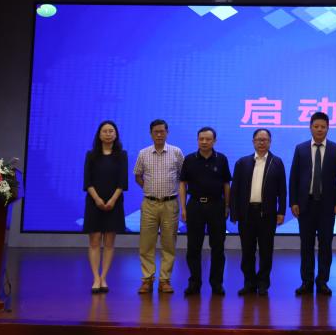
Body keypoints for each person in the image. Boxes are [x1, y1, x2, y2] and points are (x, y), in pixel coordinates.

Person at [289, 112, 336, 296]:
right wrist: (293, 202)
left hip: (327, 206)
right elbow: (294, 177)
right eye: (316, 126)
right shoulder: (301, 149)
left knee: (325, 245)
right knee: (306, 245)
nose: (319, 129)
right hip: (305, 205)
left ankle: (322, 281)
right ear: (310, 127)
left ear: (328, 128)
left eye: (323, 127)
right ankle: (306, 281)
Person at [230, 128, 286, 296]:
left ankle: (263, 284)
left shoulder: (277, 162)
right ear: (253, 142)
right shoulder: (242, 162)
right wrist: (234, 212)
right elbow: (235, 190)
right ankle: (249, 282)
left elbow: (282, 190)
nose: (262, 143)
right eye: (258, 140)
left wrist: (281, 211)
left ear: (270, 142)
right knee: (247, 251)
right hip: (246, 214)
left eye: (265, 140)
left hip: (267, 214)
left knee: (266, 251)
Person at [178, 126, 232, 296]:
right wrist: (183, 208)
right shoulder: (189, 159)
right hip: (195, 206)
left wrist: (227, 206)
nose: (204, 142)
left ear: (214, 141)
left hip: (216, 206)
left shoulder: (221, 159)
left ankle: (217, 284)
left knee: (218, 247)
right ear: (197, 140)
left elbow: (226, 184)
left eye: (208, 139)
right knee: (193, 247)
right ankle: (194, 283)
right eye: (201, 139)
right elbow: (182, 184)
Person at [133, 119, 184, 295]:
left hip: (170, 203)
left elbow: (182, 177)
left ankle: (165, 280)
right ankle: (147, 280)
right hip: (149, 203)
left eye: (162, 131)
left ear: (167, 133)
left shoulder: (176, 152)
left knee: (169, 243)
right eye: (156, 132)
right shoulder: (143, 153)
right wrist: (149, 189)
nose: (159, 134)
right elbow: (138, 175)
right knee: (146, 243)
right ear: (151, 134)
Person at [83, 120, 128, 294]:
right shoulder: (91, 155)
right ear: (99, 135)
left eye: (111, 131)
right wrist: (97, 199)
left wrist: (112, 200)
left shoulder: (121, 155)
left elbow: (122, 182)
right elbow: (87, 181)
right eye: (105, 131)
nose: (108, 134)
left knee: (109, 243)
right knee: (94, 241)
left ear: (116, 135)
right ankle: (95, 277)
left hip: (114, 203)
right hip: (94, 202)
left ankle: (104, 277)